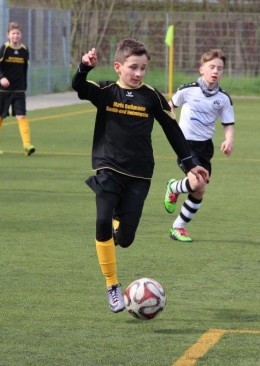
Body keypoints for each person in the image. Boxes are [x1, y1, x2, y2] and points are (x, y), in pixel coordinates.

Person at [72, 38, 209, 313]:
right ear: (118, 67)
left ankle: (115, 229)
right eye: (133, 67)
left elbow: (172, 130)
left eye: (143, 68)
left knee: (125, 239)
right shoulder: (106, 91)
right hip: (108, 168)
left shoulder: (151, 96)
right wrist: (83, 69)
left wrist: (189, 163)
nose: (138, 74)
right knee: (101, 220)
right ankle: (112, 285)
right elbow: (79, 88)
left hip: (140, 175)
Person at [163, 49, 235, 242]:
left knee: (199, 190)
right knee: (196, 182)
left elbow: (228, 124)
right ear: (202, 69)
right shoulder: (188, 89)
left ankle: (178, 227)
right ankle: (173, 187)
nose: (215, 71)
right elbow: (170, 106)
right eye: (212, 67)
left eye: (220, 68)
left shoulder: (223, 99)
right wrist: (172, 125)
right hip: (185, 144)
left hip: (205, 148)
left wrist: (229, 140)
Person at [0, 22, 35, 156]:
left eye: (18, 33)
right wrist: (1, 78)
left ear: (21, 35)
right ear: (8, 35)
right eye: (13, 33)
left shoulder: (24, 50)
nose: (15, 36)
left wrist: (24, 85)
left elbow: (24, 69)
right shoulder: (4, 49)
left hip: (19, 90)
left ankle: (27, 145)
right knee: (0, 115)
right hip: (3, 90)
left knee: (21, 115)